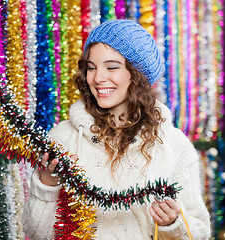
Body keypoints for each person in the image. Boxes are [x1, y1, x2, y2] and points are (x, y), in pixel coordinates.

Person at [22, 19, 211, 239]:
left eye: (112, 67)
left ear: (137, 74)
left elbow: (200, 232)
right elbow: (35, 234)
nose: (98, 78)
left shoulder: (174, 146)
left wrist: (173, 223)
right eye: (91, 68)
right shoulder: (63, 139)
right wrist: (46, 187)